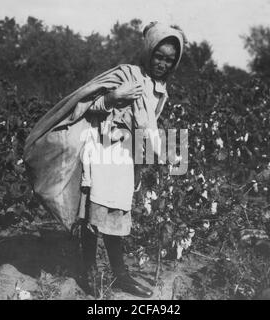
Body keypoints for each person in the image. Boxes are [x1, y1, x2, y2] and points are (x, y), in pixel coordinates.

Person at [24, 22, 185, 298]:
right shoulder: (127, 74)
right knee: (93, 214)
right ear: (148, 52)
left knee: (118, 214)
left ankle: (120, 275)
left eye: (169, 60)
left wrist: (152, 159)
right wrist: (112, 97)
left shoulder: (161, 89)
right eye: (159, 56)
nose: (163, 63)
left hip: (126, 155)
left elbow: (148, 128)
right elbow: (87, 108)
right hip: (102, 149)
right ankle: (88, 271)